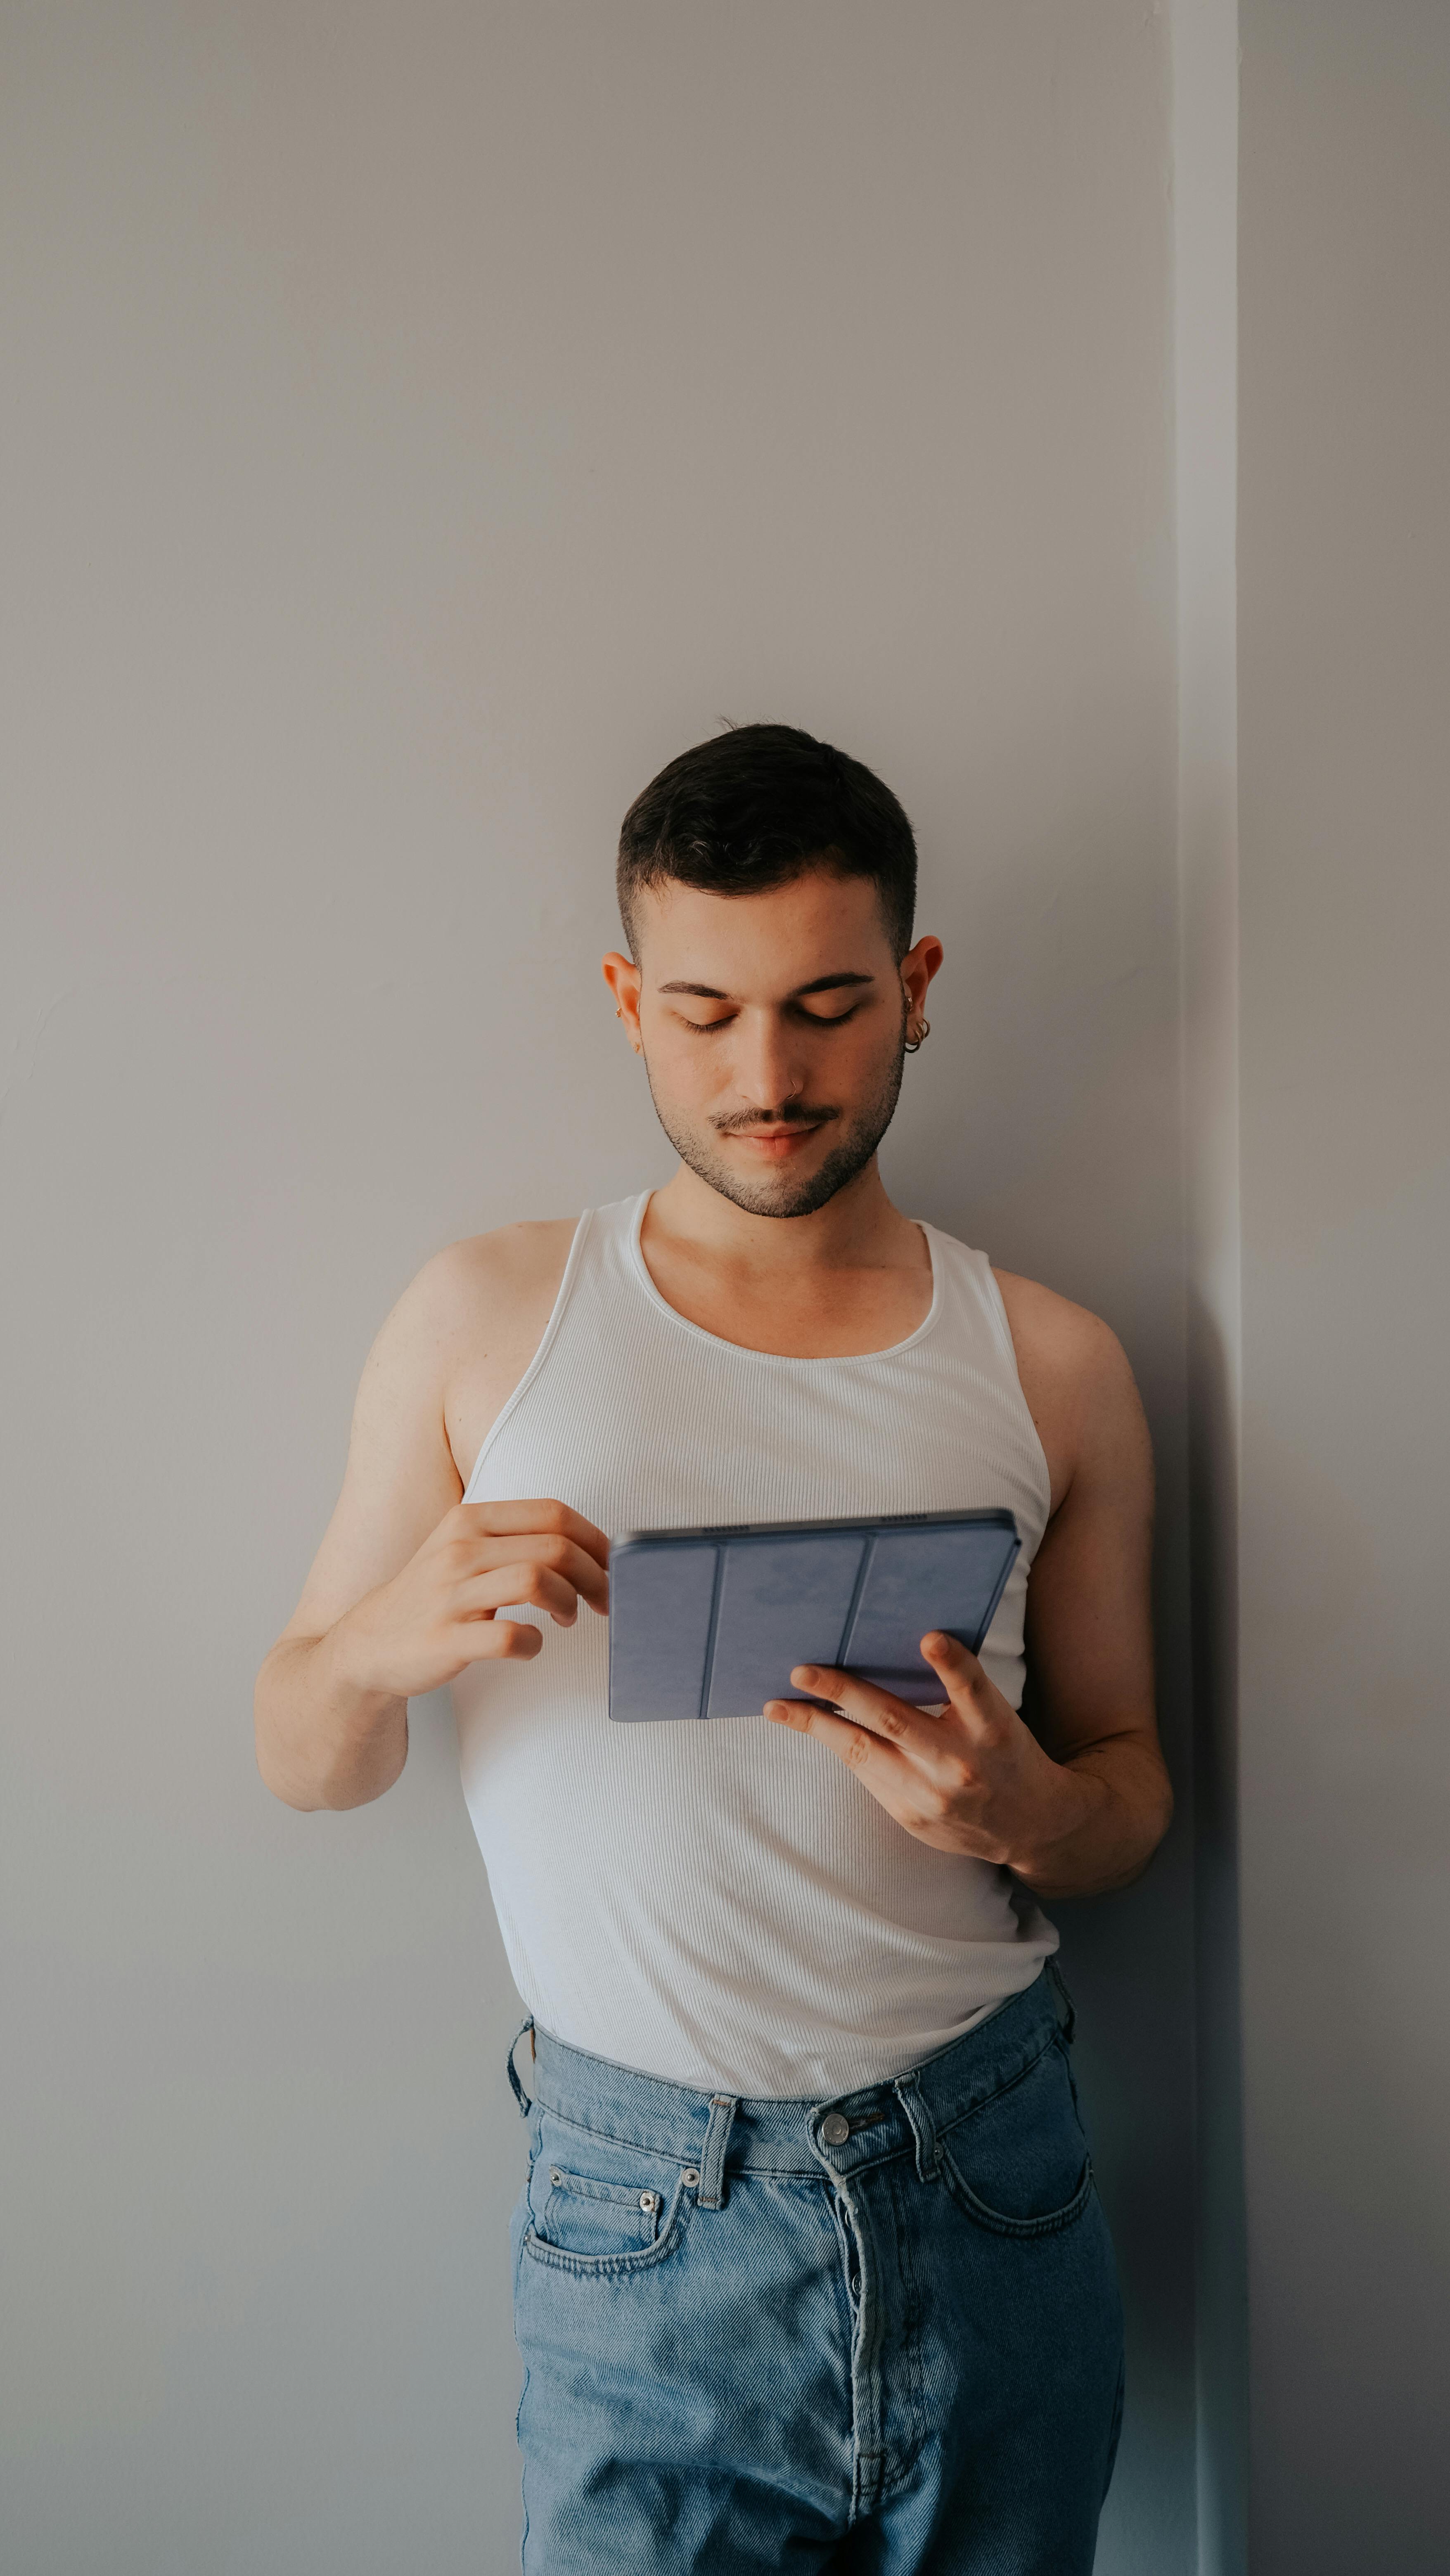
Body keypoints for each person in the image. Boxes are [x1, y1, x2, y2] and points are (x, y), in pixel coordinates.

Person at [254, 723, 1172, 2575]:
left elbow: (1133, 1798)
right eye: (704, 1012)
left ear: (914, 991)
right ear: (626, 1001)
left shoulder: (1055, 1364)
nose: (767, 1075)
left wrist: (1024, 1808)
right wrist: (375, 1652)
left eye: (828, 1005)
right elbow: (301, 1750)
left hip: (990, 2174)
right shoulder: (481, 1315)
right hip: (634, 2219)